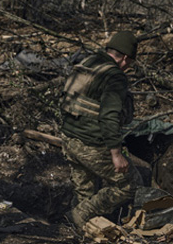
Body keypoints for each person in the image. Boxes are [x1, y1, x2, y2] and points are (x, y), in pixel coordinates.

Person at [59, 31, 142, 229]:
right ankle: (77, 217)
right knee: (130, 184)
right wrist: (116, 153)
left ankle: (77, 232)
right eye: (129, 63)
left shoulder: (88, 62)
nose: (128, 67)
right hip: (91, 144)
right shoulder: (114, 77)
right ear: (124, 58)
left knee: (84, 191)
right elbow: (109, 116)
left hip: (69, 138)